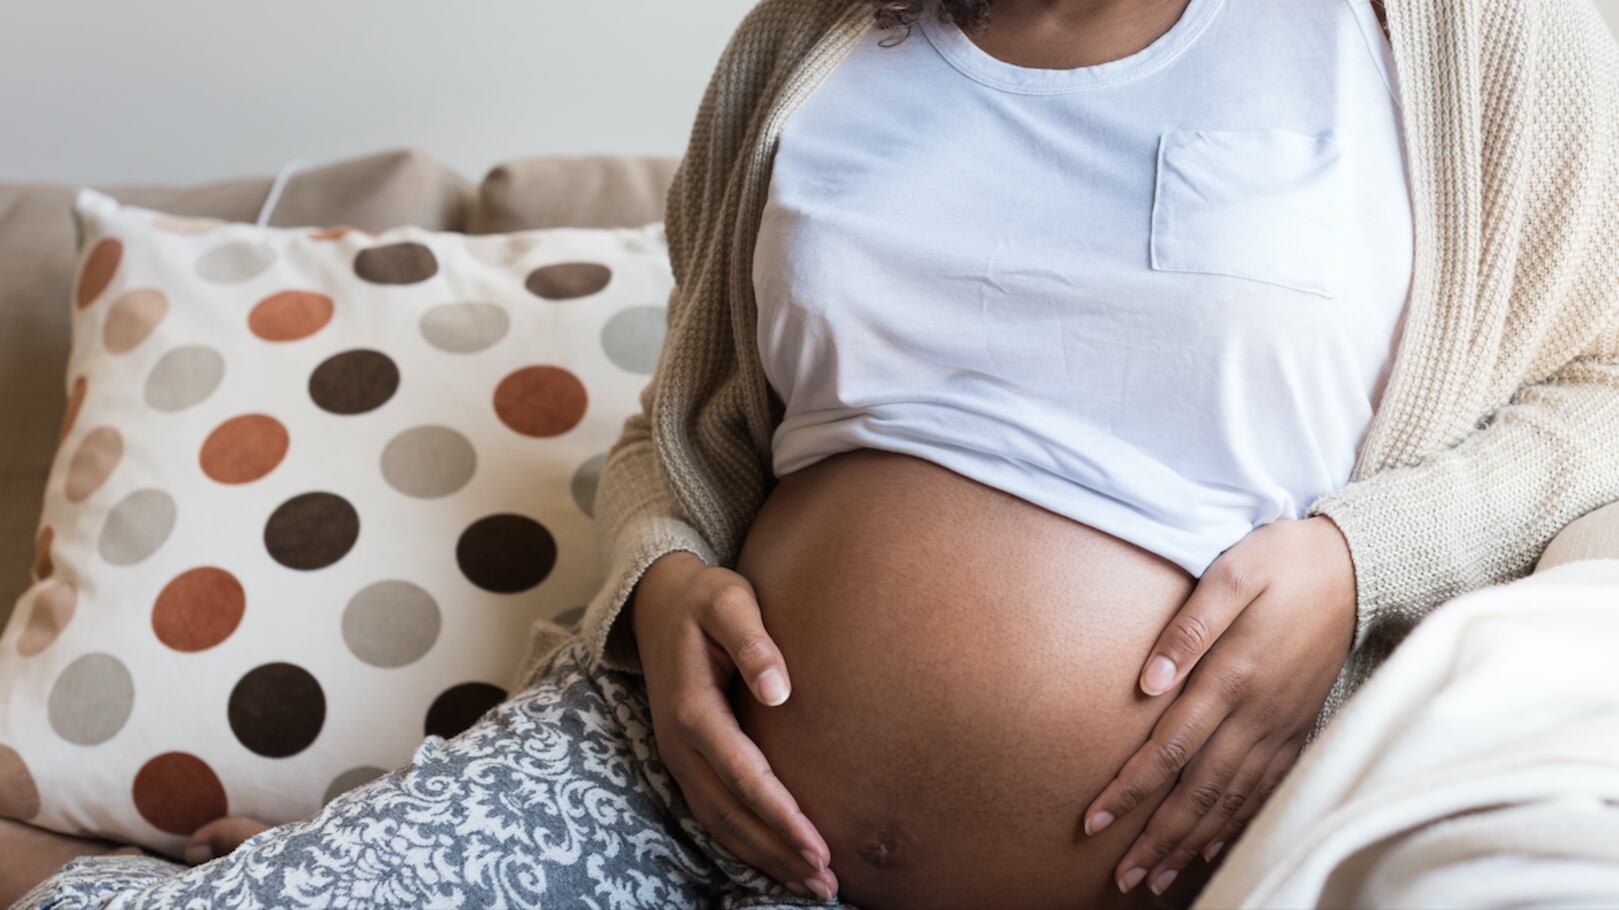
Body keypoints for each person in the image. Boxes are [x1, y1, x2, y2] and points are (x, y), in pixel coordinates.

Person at [9, 0, 1619, 907]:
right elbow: (681, 436)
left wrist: (1360, 560)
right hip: (667, 796)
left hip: (1170, 866)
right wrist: (656, 579)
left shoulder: (1462, 42)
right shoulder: (815, 41)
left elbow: (1604, 379)